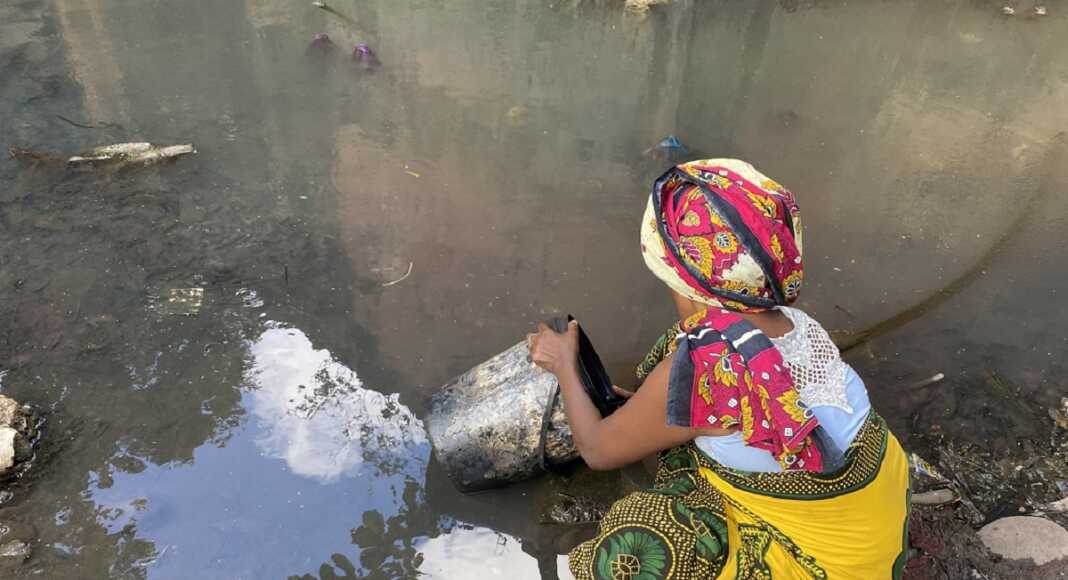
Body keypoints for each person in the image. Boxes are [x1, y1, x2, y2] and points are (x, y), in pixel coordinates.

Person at [528, 159, 910, 579]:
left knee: (640, 543)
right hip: (872, 529)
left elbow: (598, 451)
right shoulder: (796, 324)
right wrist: (647, 408)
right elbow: (750, 404)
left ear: (679, 276)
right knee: (675, 368)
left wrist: (563, 364)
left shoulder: (702, 369)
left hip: (821, 566)